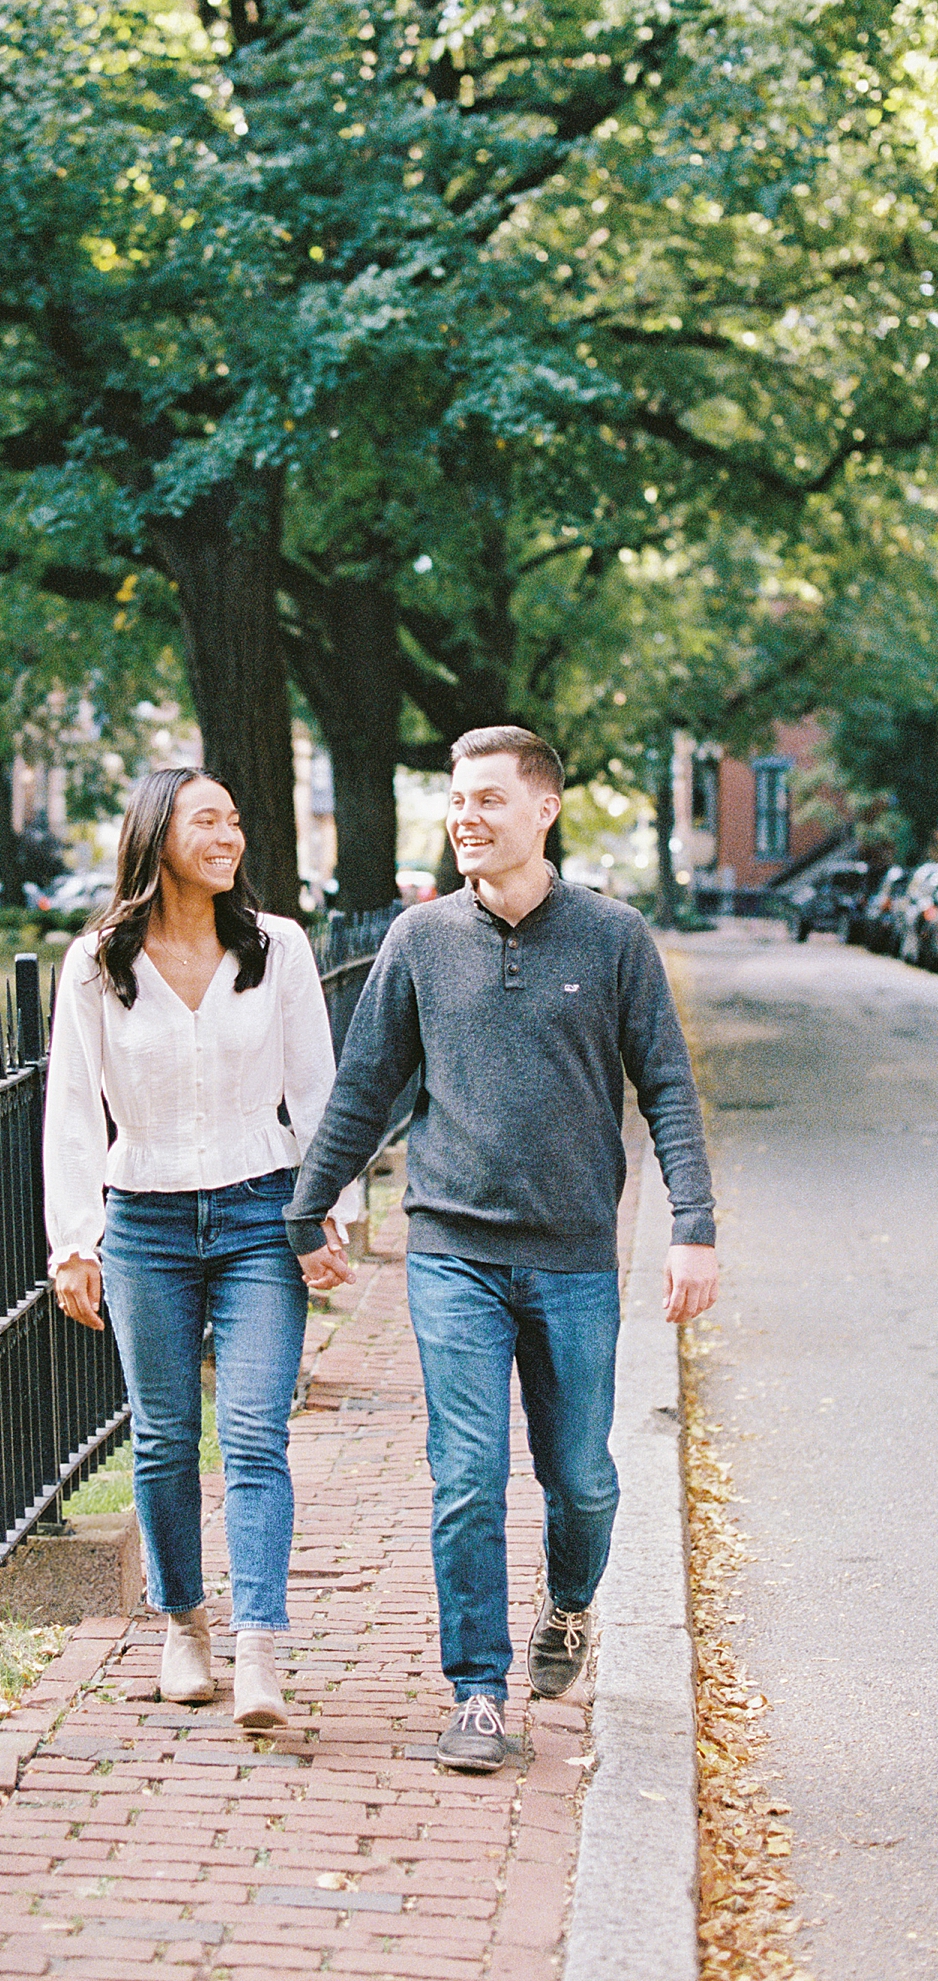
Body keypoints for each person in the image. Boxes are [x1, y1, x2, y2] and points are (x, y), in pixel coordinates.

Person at [285, 726, 718, 1772]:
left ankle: (569, 1604)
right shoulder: (420, 939)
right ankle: (476, 1692)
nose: (464, 817)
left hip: (573, 1255)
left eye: (486, 798)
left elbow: (664, 1082)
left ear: (543, 809)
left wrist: (692, 1225)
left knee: (583, 1483)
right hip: (454, 1250)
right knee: (467, 1475)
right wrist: (308, 1207)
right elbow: (365, 1084)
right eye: (455, 800)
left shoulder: (613, 937)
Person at [45, 766, 357, 1729]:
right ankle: (184, 1624)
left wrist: (321, 1216)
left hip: (262, 1210)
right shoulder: (98, 962)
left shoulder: (279, 949)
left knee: (257, 1430)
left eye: (234, 818)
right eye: (206, 820)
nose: (229, 835)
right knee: (166, 1436)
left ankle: (260, 1646)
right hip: (144, 1222)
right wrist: (74, 1240)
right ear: (156, 837)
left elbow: (317, 1090)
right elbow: (69, 1109)